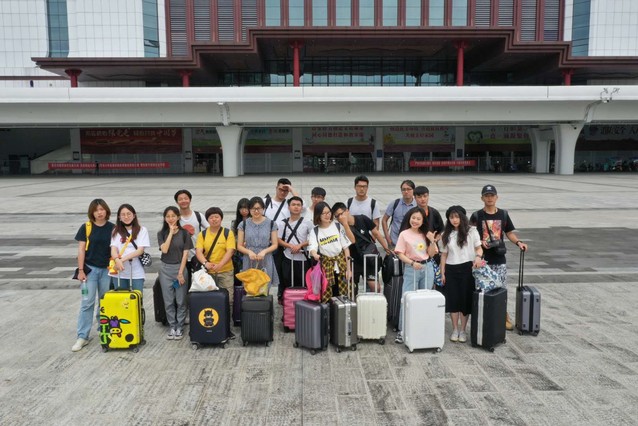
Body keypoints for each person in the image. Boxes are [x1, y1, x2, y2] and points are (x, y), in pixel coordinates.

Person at [470, 184, 528, 331]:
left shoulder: (503, 214)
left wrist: (519, 242)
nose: (489, 198)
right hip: (482, 259)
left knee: (501, 288)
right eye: (486, 196)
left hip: (499, 258)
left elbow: (509, 233)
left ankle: (503, 316)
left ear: (497, 197)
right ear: (482, 198)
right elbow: (470, 235)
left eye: (492, 195)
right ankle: (485, 315)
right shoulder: (477, 216)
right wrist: (480, 242)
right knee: (482, 288)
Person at [72, 198, 115, 352]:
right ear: (92, 212)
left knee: (105, 303)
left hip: (107, 271)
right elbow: (81, 249)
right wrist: (81, 270)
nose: (99, 212)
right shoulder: (86, 227)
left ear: (106, 210)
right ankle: (82, 336)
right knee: (87, 302)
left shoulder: (113, 228)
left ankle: (104, 330)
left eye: (102, 209)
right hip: (90, 270)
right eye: (96, 210)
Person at [393, 207, 439, 344]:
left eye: (419, 219)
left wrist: (432, 241)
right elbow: (399, 253)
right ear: (409, 218)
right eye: (413, 218)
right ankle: (402, 330)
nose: (415, 221)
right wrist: (412, 263)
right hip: (411, 268)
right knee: (407, 298)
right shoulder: (404, 234)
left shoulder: (426, 234)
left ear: (423, 221)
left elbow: (431, 254)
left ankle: (421, 329)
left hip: (427, 267)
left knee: (425, 298)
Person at [439, 205, 483, 343]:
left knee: (465, 300)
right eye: (451, 217)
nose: (454, 220)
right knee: (453, 300)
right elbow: (444, 255)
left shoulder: (472, 231)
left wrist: (478, 257)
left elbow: (479, 248)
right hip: (451, 268)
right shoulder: (446, 234)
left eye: (457, 217)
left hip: (467, 268)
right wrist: (442, 273)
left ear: (462, 217)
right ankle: (455, 329)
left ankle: (463, 330)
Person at [195, 207, 237, 337]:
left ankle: (227, 329)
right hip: (208, 273)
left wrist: (220, 265)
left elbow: (230, 251)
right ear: (207, 220)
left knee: (228, 300)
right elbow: (198, 252)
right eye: (211, 217)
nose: (214, 219)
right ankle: (211, 327)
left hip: (226, 271)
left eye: (216, 217)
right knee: (209, 300)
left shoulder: (227, 233)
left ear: (221, 218)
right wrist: (206, 263)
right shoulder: (202, 234)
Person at [331, 202, 391, 293]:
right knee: (352, 289)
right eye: (337, 216)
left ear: (347, 211)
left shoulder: (362, 218)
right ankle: (355, 301)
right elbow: (352, 240)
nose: (340, 217)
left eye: (341, 214)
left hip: (368, 258)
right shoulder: (340, 227)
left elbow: (376, 233)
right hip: (353, 260)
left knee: (375, 288)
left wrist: (386, 249)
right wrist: (345, 225)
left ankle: (374, 301)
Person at [157, 206, 192, 341]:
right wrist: (171, 233)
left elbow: (185, 254)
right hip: (165, 269)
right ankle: (172, 326)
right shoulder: (162, 233)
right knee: (168, 301)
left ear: (178, 217)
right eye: (168, 216)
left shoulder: (184, 233)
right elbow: (164, 250)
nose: (171, 218)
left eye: (173, 216)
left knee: (181, 300)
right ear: (165, 218)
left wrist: (180, 273)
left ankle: (180, 326)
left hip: (180, 268)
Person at [307, 202, 352, 303]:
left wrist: (349, 269)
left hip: (341, 265)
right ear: (318, 215)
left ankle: (341, 312)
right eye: (324, 213)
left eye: (329, 212)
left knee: (342, 294)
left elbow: (346, 248)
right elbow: (312, 247)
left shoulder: (338, 226)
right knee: (326, 295)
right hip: (326, 267)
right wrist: (314, 254)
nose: (327, 215)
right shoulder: (315, 231)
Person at [237, 197, 280, 294]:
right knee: (250, 287)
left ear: (263, 209)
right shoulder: (243, 224)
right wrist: (249, 252)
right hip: (249, 259)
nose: (256, 211)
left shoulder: (271, 223)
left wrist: (264, 251)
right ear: (249, 209)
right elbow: (239, 246)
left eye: (259, 208)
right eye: (253, 209)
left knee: (264, 288)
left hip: (266, 258)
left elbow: (275, 244)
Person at [264, 178, 299, 297]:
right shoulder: (266, 202)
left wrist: (292, 189)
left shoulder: (290, 204)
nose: (283, 192)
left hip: (282, 242)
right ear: (276, 188)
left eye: (286, 190)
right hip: (266, 242)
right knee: (265, 270)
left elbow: (301, 203)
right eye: (280, 189)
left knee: (282, 271)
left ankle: (281, 295)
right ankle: (264, 294)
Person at [277, 196, 313, 300]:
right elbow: (278, 240)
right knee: (287, 282)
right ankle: (288, 304)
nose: (296, 207)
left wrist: (300, 245)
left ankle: (304, 304)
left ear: (302, 208)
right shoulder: (283, 223)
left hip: (304, 259)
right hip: (288, 258)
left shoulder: (308, 222)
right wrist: (290, 246)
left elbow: (313, 239)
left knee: (304, 283)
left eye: (298, 205)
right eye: (293, 205)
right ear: (288, 207)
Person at [109, 204, 150, 292]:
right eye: (123, 214)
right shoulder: (115, 231)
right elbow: (113, 249)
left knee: (136, 296)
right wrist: (116, 259)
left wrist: (122, 260)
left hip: (136, 271)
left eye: (129, 214)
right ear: (119, 217)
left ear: (134, 215)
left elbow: (140, 250)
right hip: (119, 271)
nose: (126, 217)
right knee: (120, 298)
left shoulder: (142, 230)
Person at [382, 179, 417, 248]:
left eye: (409, 189)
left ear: (414, 190)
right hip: (395, 243)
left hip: (412, 244)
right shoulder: (395, 203)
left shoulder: (417, 205)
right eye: (403, 189)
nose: (406, 192)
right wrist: (387, 238)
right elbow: (384, 220)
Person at [174, 189, 208, 259]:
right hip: (180, 256)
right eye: (180, 199)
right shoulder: (174, 218)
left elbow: (211, 229)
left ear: (190, 200)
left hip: (197, 255)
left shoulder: (198, 216)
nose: (183, 201)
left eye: (186, 198)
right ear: (177, 202)